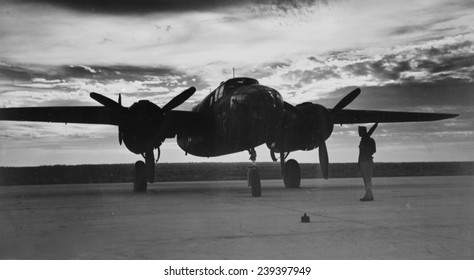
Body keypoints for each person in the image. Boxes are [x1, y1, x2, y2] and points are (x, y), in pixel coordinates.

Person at [358, 123, 378, 201]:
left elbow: (373, 150)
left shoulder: (366, 140)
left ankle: (368, 196)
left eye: (360, 131)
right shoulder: (366, 140)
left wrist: (365, 154)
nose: (359, 133)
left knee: (367, 179)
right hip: (365, 161)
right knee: (367, 179)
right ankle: (370, 195)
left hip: (366, 161)